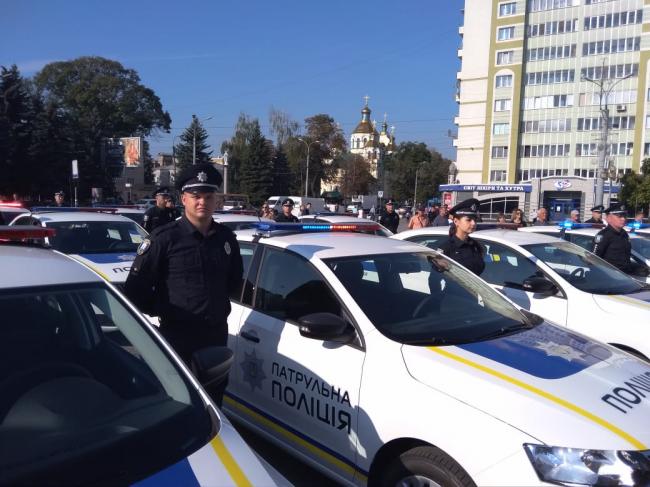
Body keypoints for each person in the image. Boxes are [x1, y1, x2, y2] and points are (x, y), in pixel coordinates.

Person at [124, 164, 243, 407]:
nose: (202, 202)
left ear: (216, 200)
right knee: (179, 403)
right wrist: (165, 309)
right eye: (196, 196)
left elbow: (233, 282)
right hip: (178, 337)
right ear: (183, 199)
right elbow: (135, 291)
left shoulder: (226, 239)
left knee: (214, 401)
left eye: (208, 196)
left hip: (216, 336)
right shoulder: (164, 239)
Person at [439, 198, 485, 276]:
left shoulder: (475, 246)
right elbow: (435, 279)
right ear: (456, 221)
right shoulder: (446, 248)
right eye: (469, 220)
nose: (473, 223)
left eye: (475, 220)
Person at [592, 203, 632, 273]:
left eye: (624, 216)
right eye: (619, 216)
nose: (623, 219)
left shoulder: (624, 234)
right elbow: (595, 259)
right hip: (609, 275)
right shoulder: (604, 235)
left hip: (625, 275)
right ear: (608, 218)